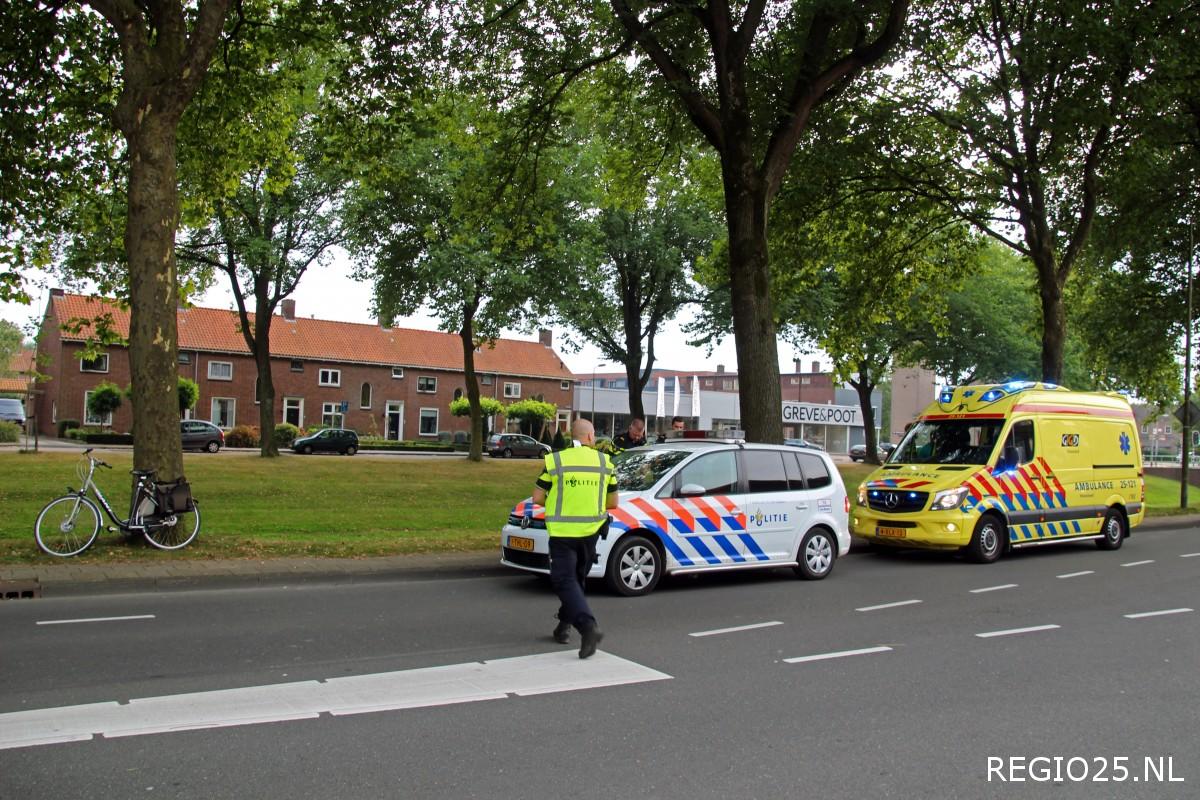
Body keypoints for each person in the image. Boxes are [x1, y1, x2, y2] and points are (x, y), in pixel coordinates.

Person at [530, 418, 618, 659]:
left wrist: (563, 502)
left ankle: (588, 627)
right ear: (591, 438)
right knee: (576, 581)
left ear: (572, 438)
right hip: (591, 532)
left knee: (565, 581)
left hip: (562, 534)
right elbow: (613, 503)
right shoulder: (606, 463)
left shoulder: (555, 460)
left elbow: (537, 497)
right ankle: (563, 627)